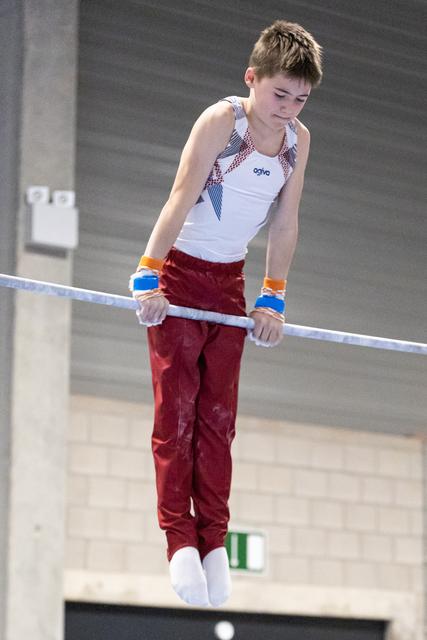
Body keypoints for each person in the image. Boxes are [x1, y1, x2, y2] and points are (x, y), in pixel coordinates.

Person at [129, 19, 323, 607]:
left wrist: (273, 295)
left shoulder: (297, 141)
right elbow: (182, 194)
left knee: (218, 421)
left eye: (300, 99)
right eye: (279, 94)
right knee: (178, 412)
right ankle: (178, 539)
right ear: (252, 79)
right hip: (182, 272)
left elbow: (286, 222)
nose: (287, 108)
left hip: (229, 283)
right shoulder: (223, 121)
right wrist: (148, 273)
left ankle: (214, 540)